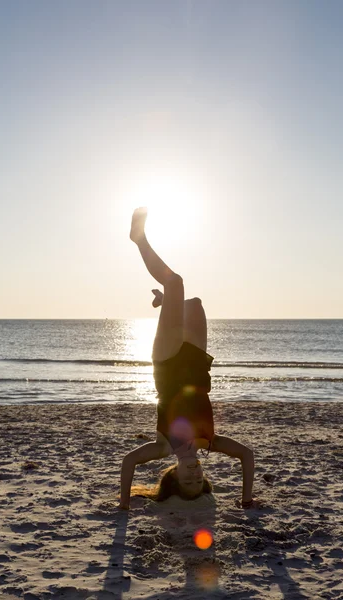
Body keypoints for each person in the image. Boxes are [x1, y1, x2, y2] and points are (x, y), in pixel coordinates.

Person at [119, 207, 255, 510]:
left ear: (173, 475)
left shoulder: (162, 446)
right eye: (199, 480)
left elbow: (129, 462)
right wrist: (246, 500)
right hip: (196, 366)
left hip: (168, 366)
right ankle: (165, 302)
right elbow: (247, 455)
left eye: (187, 480)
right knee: (194, 304)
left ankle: (138, 239)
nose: (194, 474)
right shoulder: (211, 442)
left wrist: (124, 505)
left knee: (176, 282)